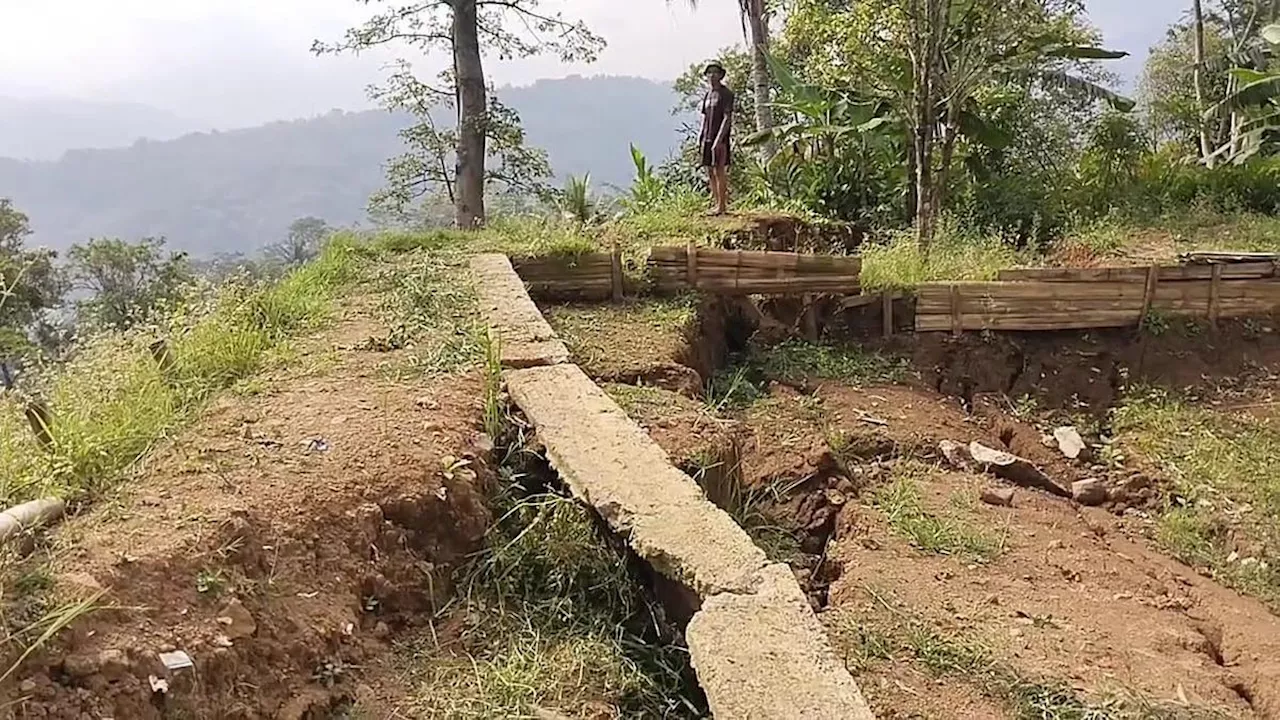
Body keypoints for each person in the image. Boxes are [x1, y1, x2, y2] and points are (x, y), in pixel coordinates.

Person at [699, 62, 735, 216]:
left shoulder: (726, 94)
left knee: (719, 170)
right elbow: (705, 118)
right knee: (709, 170)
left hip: (719, 138)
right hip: (707, 137)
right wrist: (700, 138)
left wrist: (719, 140)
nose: (712, 75)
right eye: (709, 73)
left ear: (721, 75)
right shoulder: (708, 95)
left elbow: (727, 118)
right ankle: (715, 204)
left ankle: (722, 206)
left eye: (715, 72)